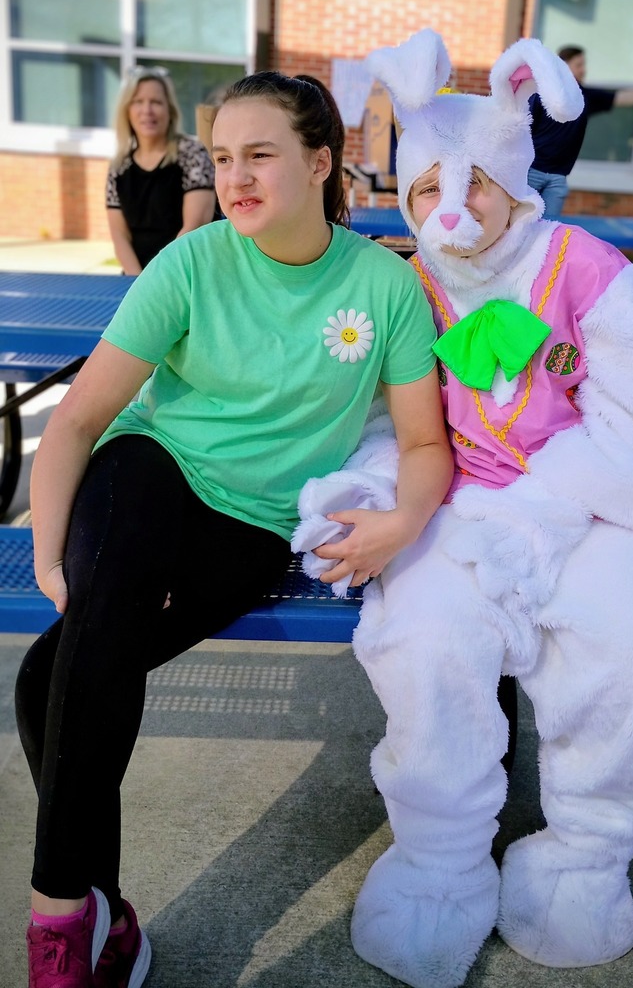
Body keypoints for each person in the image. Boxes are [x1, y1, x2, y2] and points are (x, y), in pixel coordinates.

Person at [16, 70, 452, 988]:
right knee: (91, 609)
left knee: (46, 676)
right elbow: (80, 421)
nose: (237, 177)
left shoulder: (383, 286)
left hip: (254, 525)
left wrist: (403, 519)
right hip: (147, 472)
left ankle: (110, 923)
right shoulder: (192, 261)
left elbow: (421, 439)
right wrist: (52, 559)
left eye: (261, 155)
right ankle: (60, 927)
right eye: (222, 158)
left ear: (321, 161)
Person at [295, 29, 633, 988]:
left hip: (589, 506)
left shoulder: (591, 271)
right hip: (452, 502)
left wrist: (544, 507)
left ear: (515, 182)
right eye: (429, 187)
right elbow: (374, 422)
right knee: (426, 645)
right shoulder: (399, 283)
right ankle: (438, 861)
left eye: (473, 183)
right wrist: (372, 492)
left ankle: (584, 854)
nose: (450, 207)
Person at [528, 44, 633, 218]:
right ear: (564, 66)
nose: (584, 70)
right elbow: (521, 128)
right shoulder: (543, 93)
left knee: (547, 232)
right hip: (532, 171)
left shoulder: (585, 96)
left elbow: (622, 98)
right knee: (520, 226)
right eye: (579, 65)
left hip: (558, 177)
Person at [105, 66, 217, 275]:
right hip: (134, 280)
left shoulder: (192, 154)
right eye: (138, 102)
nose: (147, 110)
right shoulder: (118, 166)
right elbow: (119, 235)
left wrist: (157, 282)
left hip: (184, 275)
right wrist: (137, 281)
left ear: (170, 110)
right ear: (127, 110)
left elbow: (194, 225)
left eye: (156, 102)